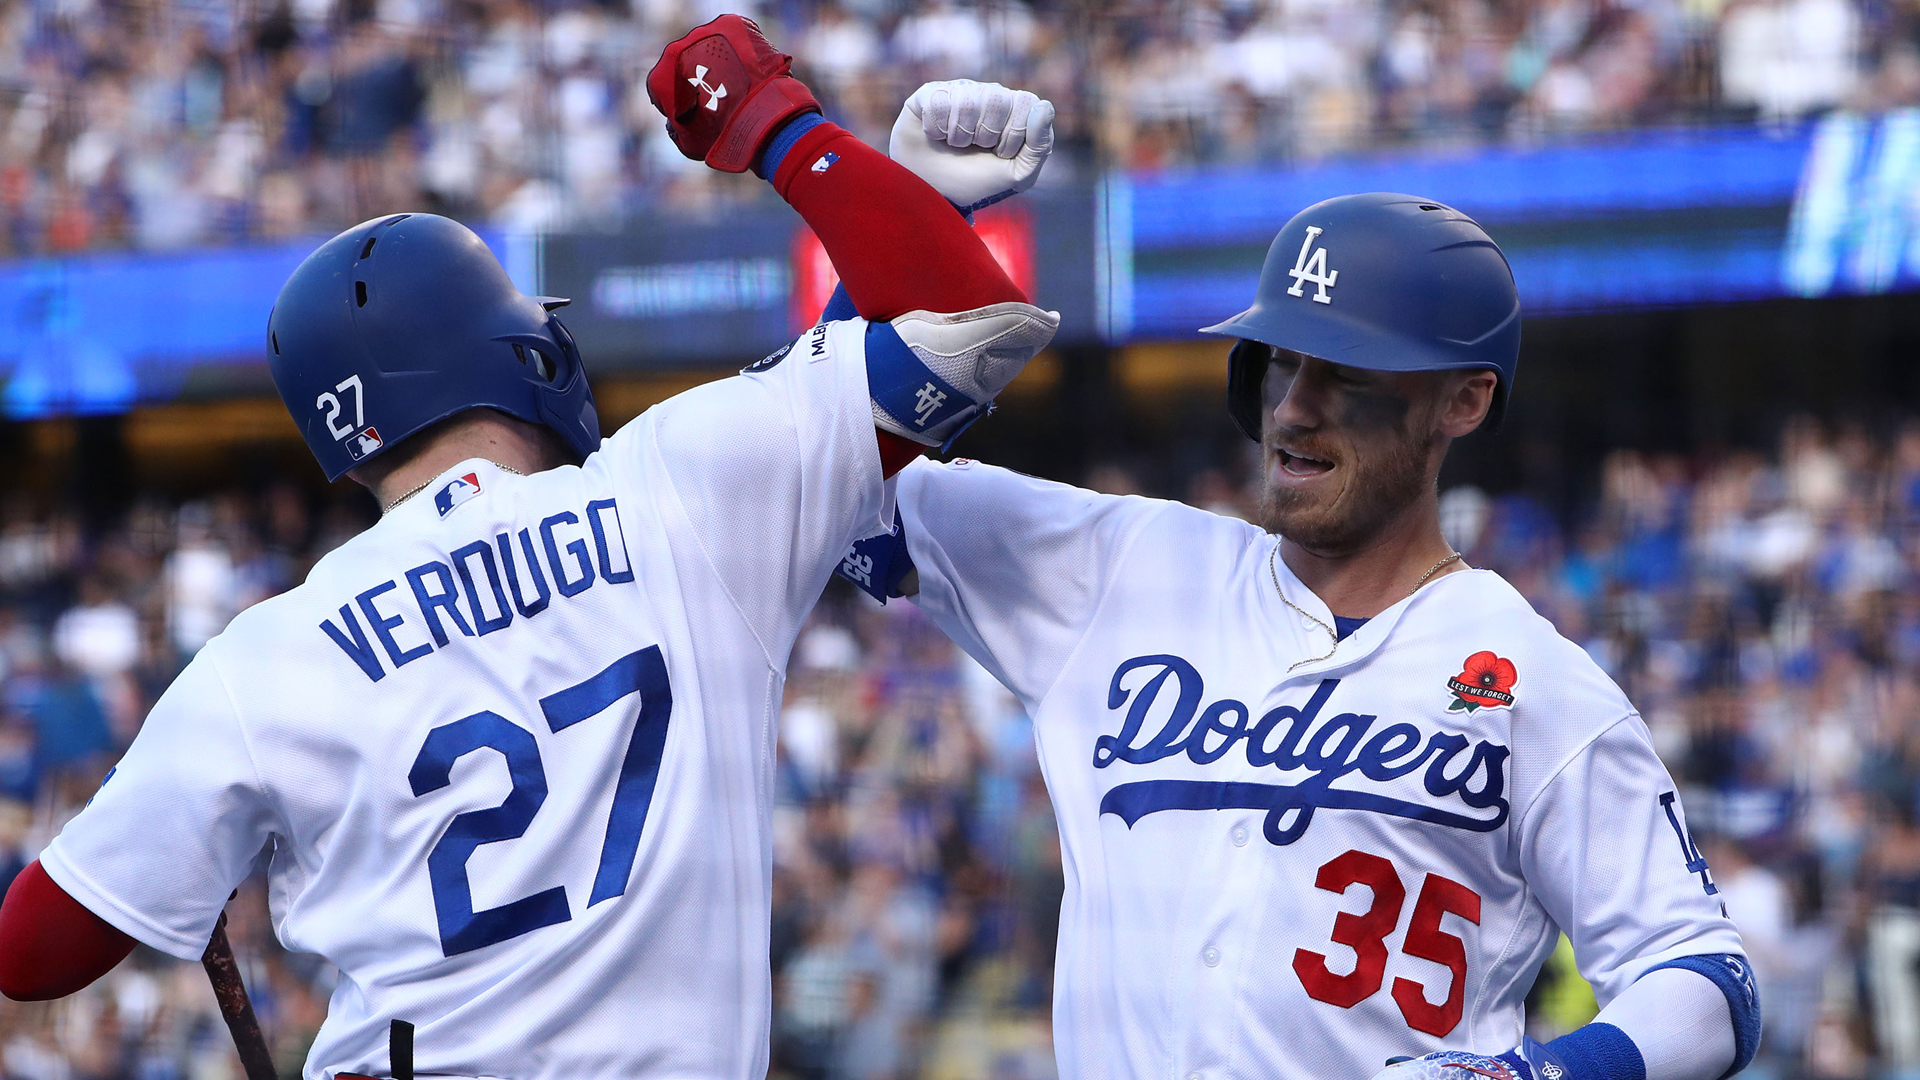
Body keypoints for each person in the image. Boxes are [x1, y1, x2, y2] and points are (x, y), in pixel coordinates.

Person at [0, 18, 1057, 1080]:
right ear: (517, 355)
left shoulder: (261, 660)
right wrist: (783, 132)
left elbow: (33, 951)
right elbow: (961, 313)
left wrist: (190, 824)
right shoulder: (674, 494)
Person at [848, 83, 1761, 1080]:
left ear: (1464, 400)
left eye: (1349, 373)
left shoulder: (1533, 682)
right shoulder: (1122, 567)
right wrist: (902, 222)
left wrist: (1537, 1077)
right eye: (1283, 362)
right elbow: (827, 484)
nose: (1296, 410)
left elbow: (1707, 976)